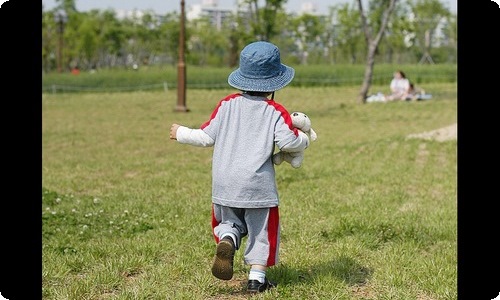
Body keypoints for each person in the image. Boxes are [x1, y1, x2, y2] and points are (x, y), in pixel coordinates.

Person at [169, 41, 309, 293]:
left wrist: (181, 132)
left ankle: (228, 239)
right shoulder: (275, 111)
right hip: (258, 187)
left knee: (230, 221)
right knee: (261, 231)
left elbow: (206, 137)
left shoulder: (226, 105)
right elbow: (288, 141)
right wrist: (304, 139)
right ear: (275, 83)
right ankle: (257, 280)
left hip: (225, 183)